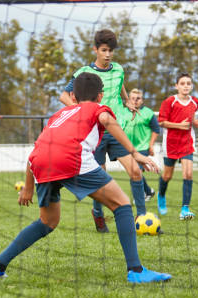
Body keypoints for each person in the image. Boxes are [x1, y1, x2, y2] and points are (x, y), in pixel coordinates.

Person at [0, 72, 172, 284]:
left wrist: (28, 187)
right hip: (70, 158)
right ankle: (136, 271)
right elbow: (107, 119)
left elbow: (37, 149)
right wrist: (135, 153)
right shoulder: (97, 108)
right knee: (122, 205)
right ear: (100, 97)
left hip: (40, 163)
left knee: (47, 222)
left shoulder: (58, 115)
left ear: (72, 96)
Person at [60, 29, 145, 233]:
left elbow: (120, 84)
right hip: (94, 134)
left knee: (135, 171)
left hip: (115, 130)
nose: (108, 54)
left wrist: (126, 100)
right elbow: (64, 95)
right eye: (104, 50)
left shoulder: (118, 69)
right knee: (101, 180)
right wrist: (79, 111)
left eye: (111, 51)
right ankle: (98, 215)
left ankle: (141, 218)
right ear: (95, 49)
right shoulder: (83, 74)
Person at [156, 73, 198, 220]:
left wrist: (195, 122)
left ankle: (185, 210)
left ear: (191, 85)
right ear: (177, 86)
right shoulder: (169, 102)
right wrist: (179, 126)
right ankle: (161, 195)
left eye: (188, 83)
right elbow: (161, 122)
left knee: (188, 174)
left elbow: (191, 117)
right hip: (171, 144)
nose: (186, 86)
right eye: (182, 83)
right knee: (167, 175)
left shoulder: (195, 102)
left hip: (187, 142)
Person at [120, 89, 160, 201]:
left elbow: (156, 130)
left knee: (135, 170)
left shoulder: (148, 113)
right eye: (132, 98)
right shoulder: (122, 112)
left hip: (142, 147)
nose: (135, 101)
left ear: (142, 100)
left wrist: (151, 145)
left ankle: (138, 197)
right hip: (127, 147)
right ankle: (148, 191)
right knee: (134, 172)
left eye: (138, 99)